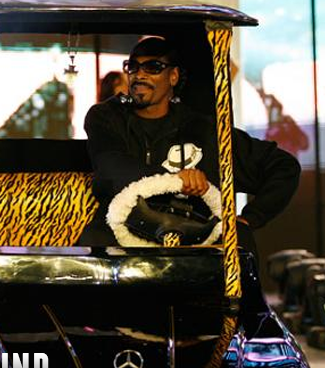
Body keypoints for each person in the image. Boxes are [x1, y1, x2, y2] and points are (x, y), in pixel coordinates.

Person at [80, 37, 301, 257]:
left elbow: (284, 166)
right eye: (133, 67)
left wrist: (249, 219)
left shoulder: (203, 129)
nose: (140, 75)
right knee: (92, 248)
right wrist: (178, 179)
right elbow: (111, 167)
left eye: (153, 67)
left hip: (190, 240)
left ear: (173, 76)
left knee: (239, 242)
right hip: (120, 233)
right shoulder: (106, 117)